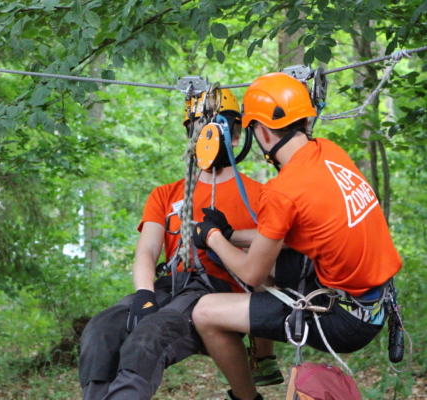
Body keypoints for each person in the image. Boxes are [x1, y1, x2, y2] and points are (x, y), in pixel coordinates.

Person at [191, 72, 403, 400]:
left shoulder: (283, 190)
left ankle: (248, 398)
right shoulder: (328, 152)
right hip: (370, 299)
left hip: (347, 319)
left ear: (260, 131)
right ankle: (264, 359)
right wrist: (232, 235)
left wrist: (213, 236)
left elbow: (252, 272)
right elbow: (307, 232)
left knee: (204, 312)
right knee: (236, 254)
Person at [78, 89, 284, 400]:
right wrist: (144, 294)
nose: (207, 136)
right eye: (199, 128)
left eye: (217, 128)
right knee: (101, 328)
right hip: (171, 284)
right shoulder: (166, 194)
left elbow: (277, 249)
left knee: (150, 336)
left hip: (220, 291)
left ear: (238, 136)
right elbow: (147, 250)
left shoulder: (260, 196)